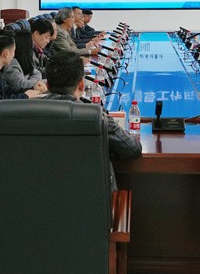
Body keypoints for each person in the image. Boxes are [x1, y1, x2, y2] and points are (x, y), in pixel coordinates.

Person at [37, 51, 142, 189]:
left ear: (48, 85)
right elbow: (132, 149)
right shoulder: (96, 117)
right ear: (81, 84)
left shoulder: (25, 115)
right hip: (92, 199)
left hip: (39, 195)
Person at [0, 30, 44, 101]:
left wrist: (31, 89)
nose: (14, 55)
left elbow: (7, 91)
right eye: (14, 51)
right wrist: (25, 96)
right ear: (6, 53)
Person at [0, 29, 49, 95]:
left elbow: (37, 73)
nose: (33, 45)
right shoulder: (11, 64)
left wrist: (32, 81)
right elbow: (22, 85)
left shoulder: (24, 61)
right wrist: (36, 82)